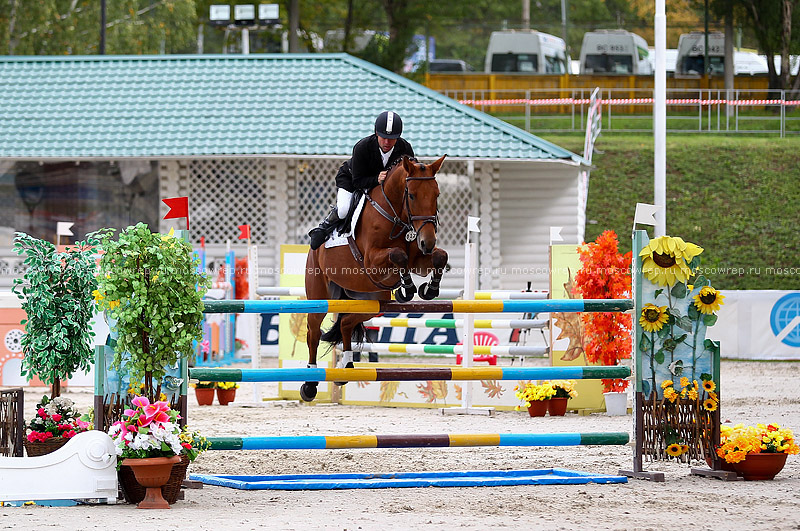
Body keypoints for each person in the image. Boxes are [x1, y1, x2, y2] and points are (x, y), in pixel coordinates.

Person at [308, 111, 415, 250]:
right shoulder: (362, 147)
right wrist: (376, 179)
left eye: (392, 138)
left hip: (383, 188)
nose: (387, 142)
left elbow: (411, 175)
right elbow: (357, 182)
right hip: (352, 180)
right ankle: (324, 227)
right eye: (383, 137)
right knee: (344, 209)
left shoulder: (405, 149)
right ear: (376, 133)